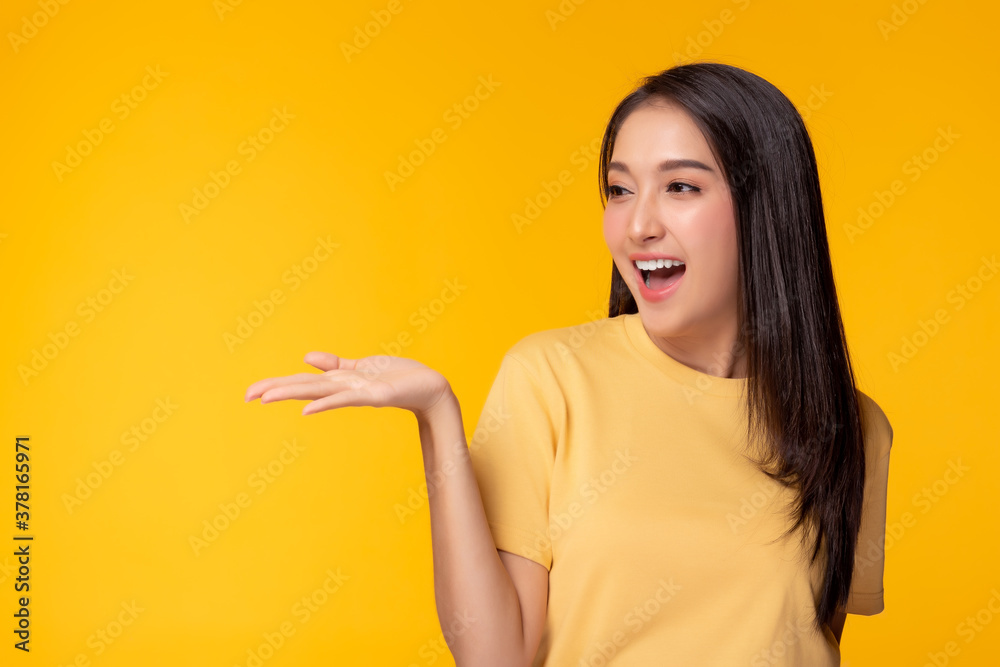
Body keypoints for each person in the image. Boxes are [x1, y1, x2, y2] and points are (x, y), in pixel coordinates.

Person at [244, 61, 894, 666]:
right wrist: (438, 417)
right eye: (618, 189)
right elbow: (497, 655)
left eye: (680, 186)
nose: (638, 224)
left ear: (767, 208)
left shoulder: (850, 425)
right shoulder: (551, 376)